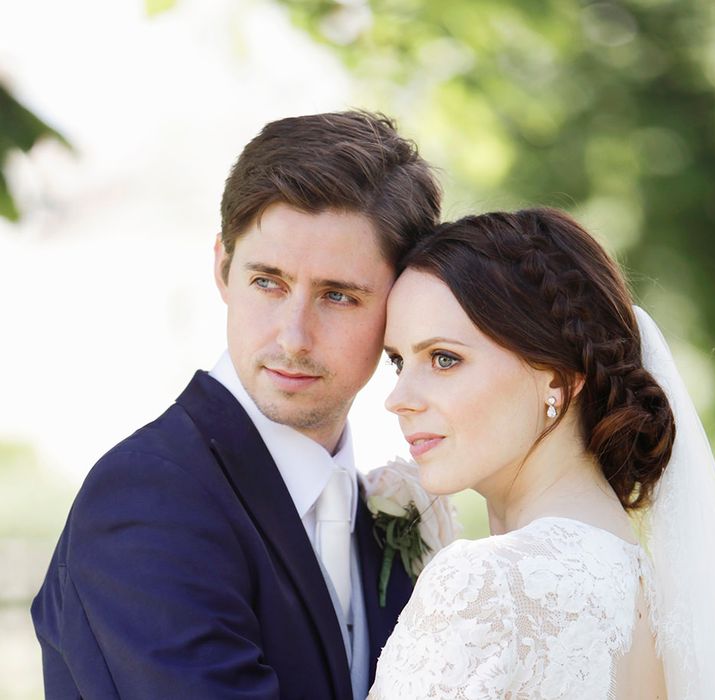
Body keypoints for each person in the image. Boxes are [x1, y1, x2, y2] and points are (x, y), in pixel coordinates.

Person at [31, 110, 443, 699]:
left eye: (338, 296)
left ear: (400, 305)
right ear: (223, 268)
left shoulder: (378, 507)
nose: (293, 336)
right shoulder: (149, 500)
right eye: (267, 282)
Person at [371, 208, 715, 699]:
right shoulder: (662, 601)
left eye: (444, 358)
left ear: (557, 380)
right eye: (397, 362)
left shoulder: (486, 584)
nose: (399, 398)